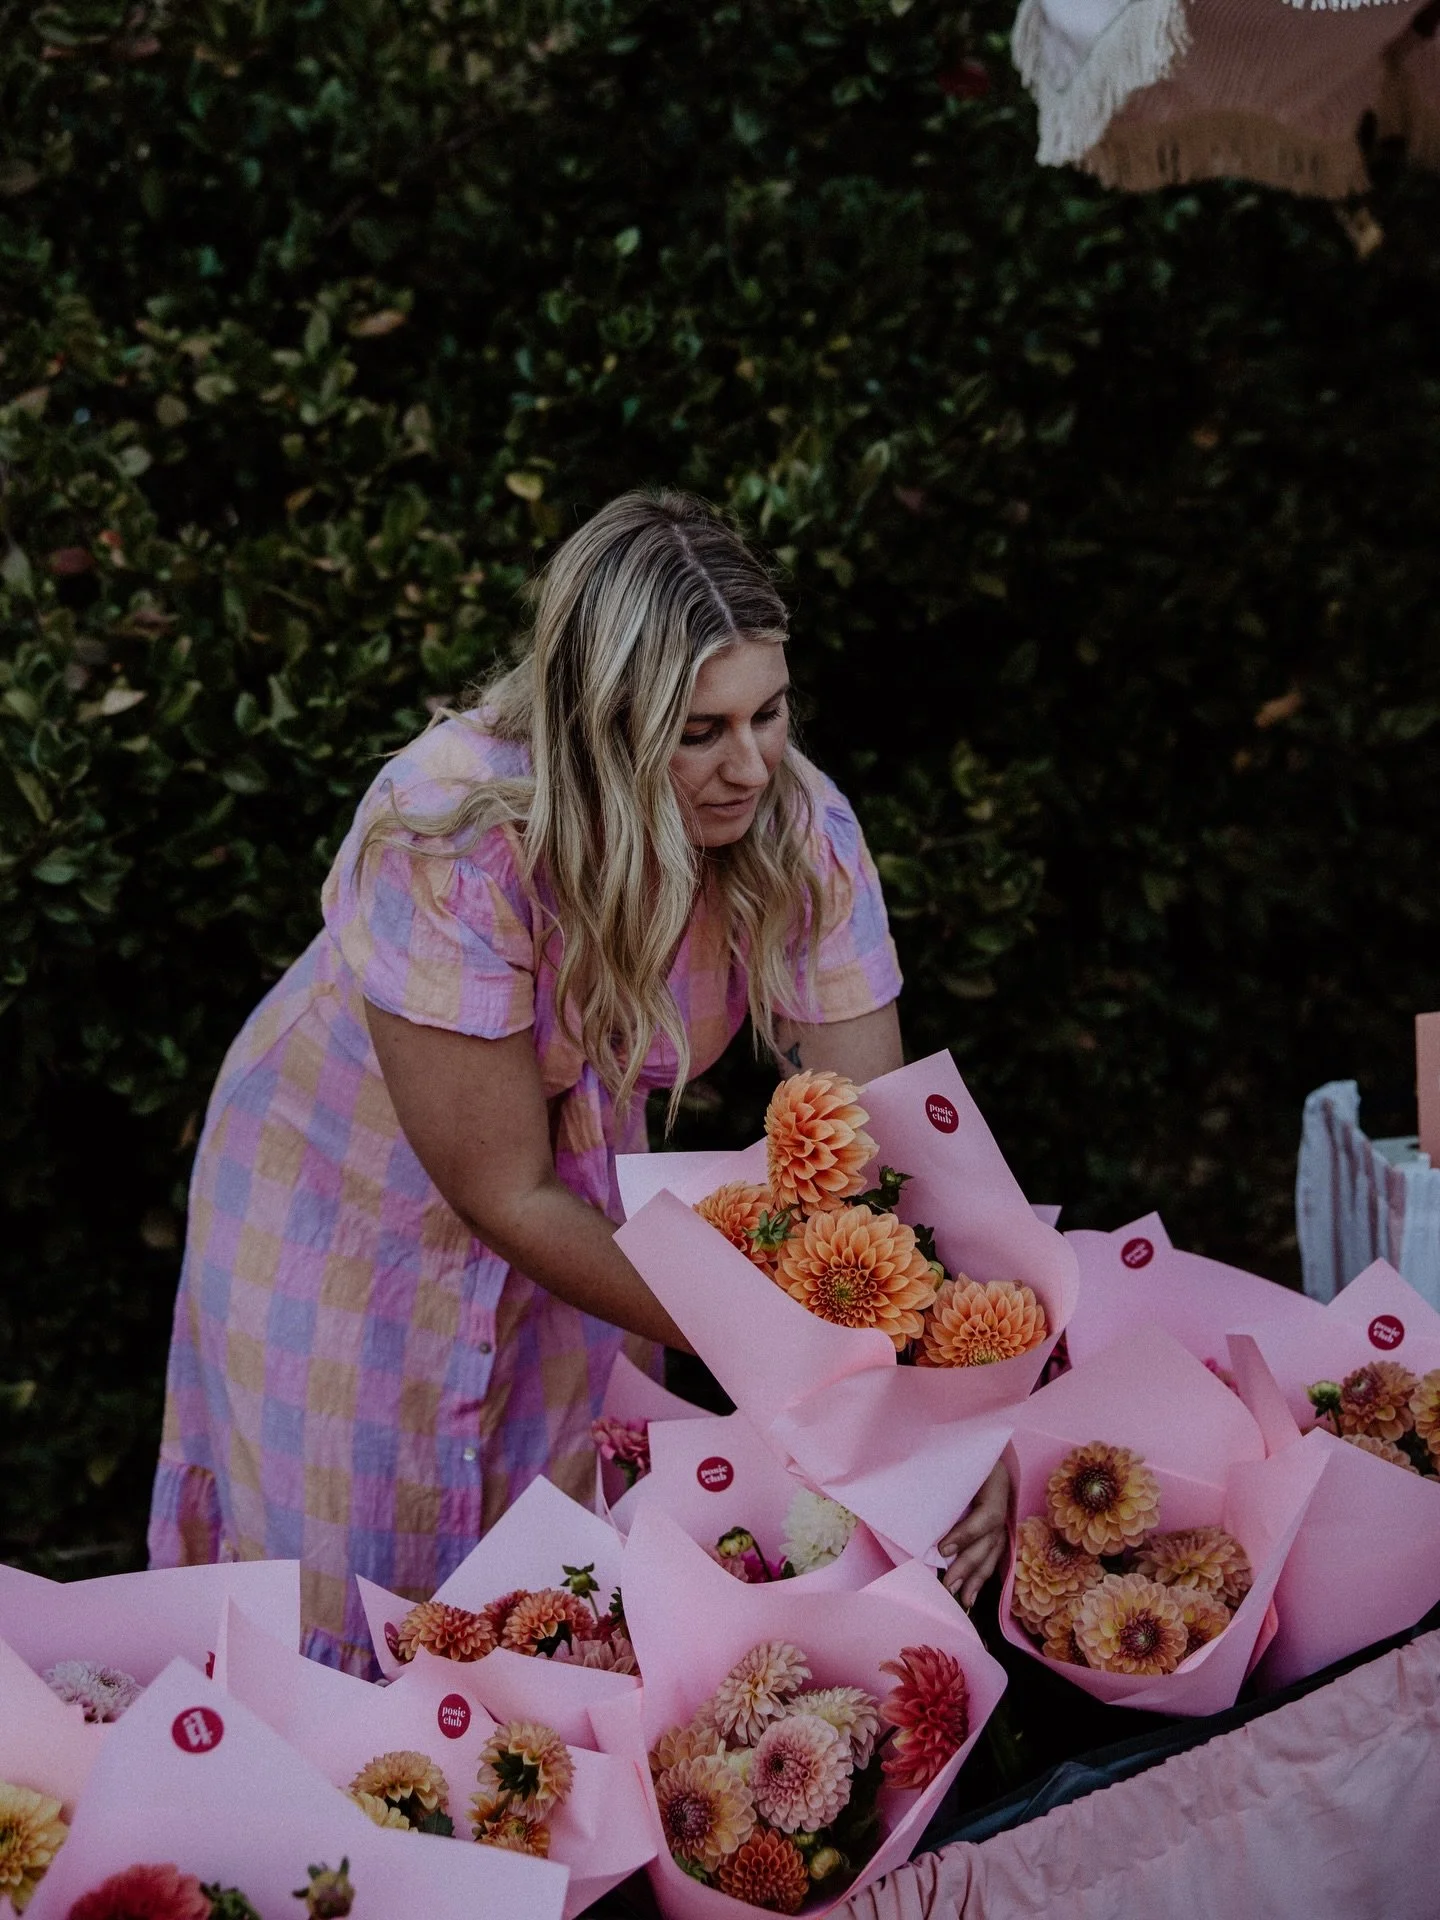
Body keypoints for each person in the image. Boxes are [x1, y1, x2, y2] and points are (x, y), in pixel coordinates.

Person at [148, 490, 1006, 1672]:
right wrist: (789, 1352)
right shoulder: (449, 832)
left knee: (553, 1577)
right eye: (699, 731)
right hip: (342, 1214)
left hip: (579, 1205)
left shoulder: (800, 828)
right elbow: (502, 1189)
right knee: (345, 1590)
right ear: (598, 721)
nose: (751, 767)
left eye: (770, 713)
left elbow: (888, 1149)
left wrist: (955, 1403)